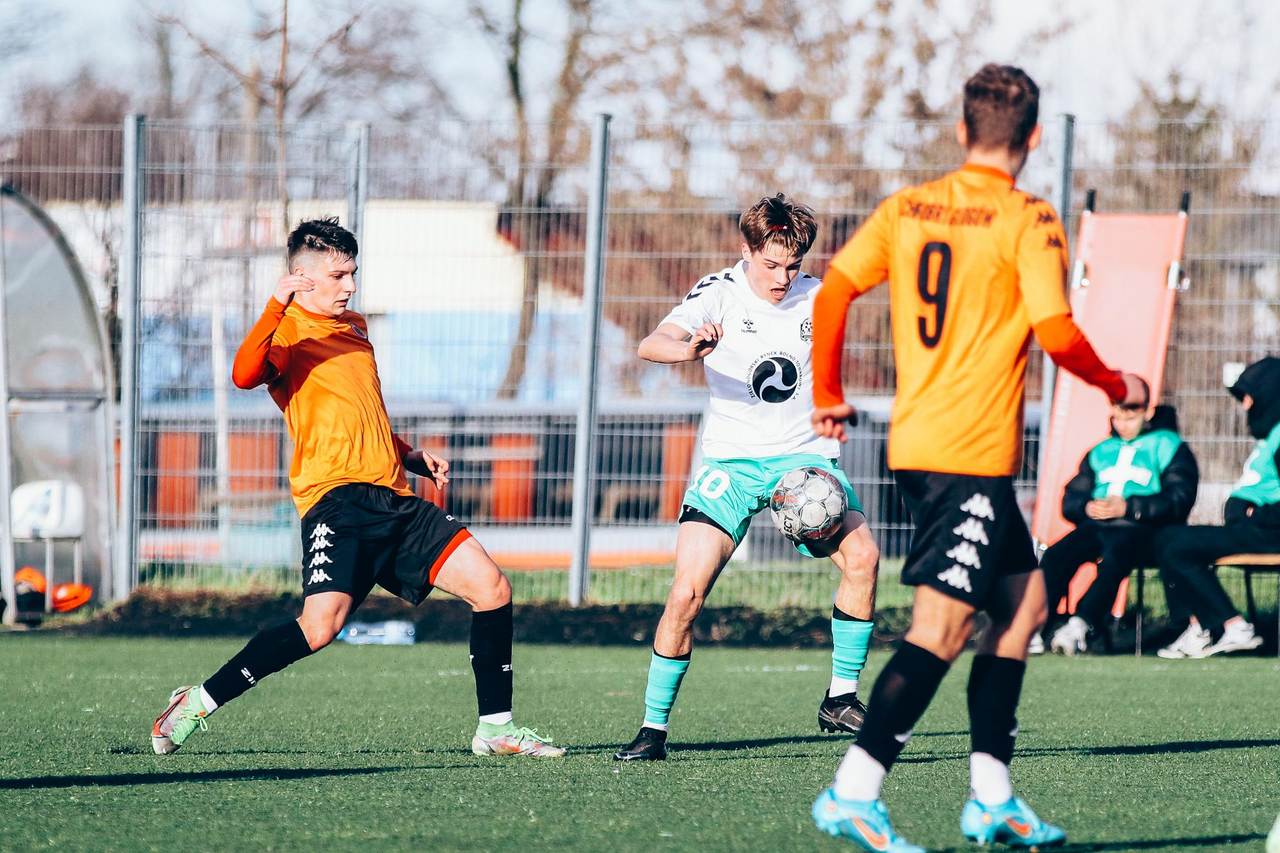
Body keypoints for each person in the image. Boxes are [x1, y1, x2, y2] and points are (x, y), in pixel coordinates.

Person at [806, 64, 1145, 851]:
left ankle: (992, 797)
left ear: (963, 131)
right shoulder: (1029, 216)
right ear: (1033, 138)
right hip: (964, 456)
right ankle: (853, 791)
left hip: (929, 447)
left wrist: (828, 392)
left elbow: (833, 291)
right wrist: (1115, 383)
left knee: (1024, 605)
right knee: (943, 624)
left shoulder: (906, 207)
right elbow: (1055, 329)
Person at [151, 217, 564, 758]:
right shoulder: (287, 332)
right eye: (338, 276)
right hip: (337, 502)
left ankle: (496, 730)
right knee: (319, 628)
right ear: (301, 277)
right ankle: (197, 702)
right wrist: (275, 304)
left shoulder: (355, 327)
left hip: (394, 498)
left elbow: (361, 410)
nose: (349, 285)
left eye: (352, 274)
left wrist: (407, 454)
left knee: (492, 588)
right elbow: (243, 375)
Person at [613, 194, 881, 762]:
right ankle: (652, 730)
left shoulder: (821, 296)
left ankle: (840, 698)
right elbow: (650, 343)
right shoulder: (718, 292)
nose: (783, 278)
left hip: (803, 462)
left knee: (864, 559)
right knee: (685, 594)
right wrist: (689, 349)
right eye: (771, 264)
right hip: (730, 466)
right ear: (747, 250)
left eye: (793, 265)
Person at [1041, 379, 1198, 655]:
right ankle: (1037, 623)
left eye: (1130, 416)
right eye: (1117, 415)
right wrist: (1086, 507)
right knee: (1057, 554)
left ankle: (1082, 624)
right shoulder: (1101, 450)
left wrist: (1130, 507)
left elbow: (1179, 498)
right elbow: (1072, 496)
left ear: (1147, 412)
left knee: (1116, 556)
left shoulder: (1169, 446)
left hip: (1143, 529)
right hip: (1097, 525)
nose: (1123, 423)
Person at [1155, 356, 1280, 659]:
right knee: (1168, 538)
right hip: (1255, 528)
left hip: (1269, 532)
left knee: (1178, 546)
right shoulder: (1271, 434)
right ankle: (1201, 627)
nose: (1245, 405)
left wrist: (1259, 514)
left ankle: (1230, 627)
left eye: (1248, 395)